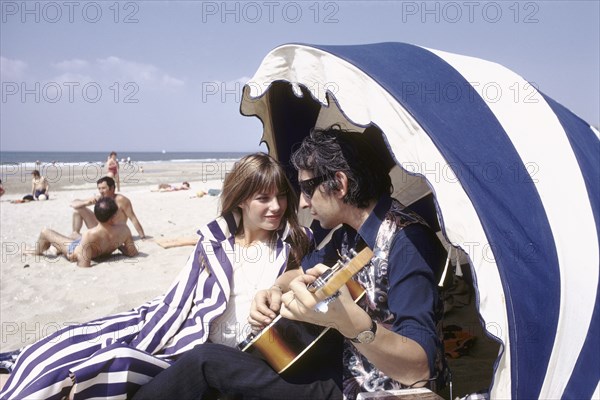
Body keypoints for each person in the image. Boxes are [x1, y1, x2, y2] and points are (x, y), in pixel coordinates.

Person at [133, 127, 447, 400]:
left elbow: (419, 366)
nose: (301, 203)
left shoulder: (408, 242)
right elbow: (301, 271)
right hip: (335, 363)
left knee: (205, 362)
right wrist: (274, 289)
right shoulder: (350, 235)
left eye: (307, 188)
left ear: (339, 184)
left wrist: (349, 322)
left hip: (367, 387)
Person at [0, 153, 310, 399]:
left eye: (281, 196)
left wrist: (276, 285)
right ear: (242, 199)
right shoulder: (215, 243)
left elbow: (302, 271)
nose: (277, 207)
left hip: (211, 356)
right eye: (264, 198)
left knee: (116, 360)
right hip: (182, 331)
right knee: (69, 341)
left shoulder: (291, 242)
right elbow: (178, 300)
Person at [28, 196, 138, 267]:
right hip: (89, 246)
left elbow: (83, 264)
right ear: (114, 216)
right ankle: (54, 248)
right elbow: (132, 252)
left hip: (74, 249)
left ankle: (36, 251)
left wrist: (75, 257)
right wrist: (117, 245)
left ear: (96, 215)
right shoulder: (124, 229)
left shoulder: (89, 234)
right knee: (74, 235)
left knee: (45, 232)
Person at [71, 176, 147, 239]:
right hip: (100, 228)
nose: (101, 191)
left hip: (114, 233)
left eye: (103, 188)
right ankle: (75, 234)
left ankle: (77, 239)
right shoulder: (100, 198)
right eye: (99, 188)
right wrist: (87, 203)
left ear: (112, 188)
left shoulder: (121, 200)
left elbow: (133, 218)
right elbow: (73, 203)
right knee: (78, 210)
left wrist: (142, 237)